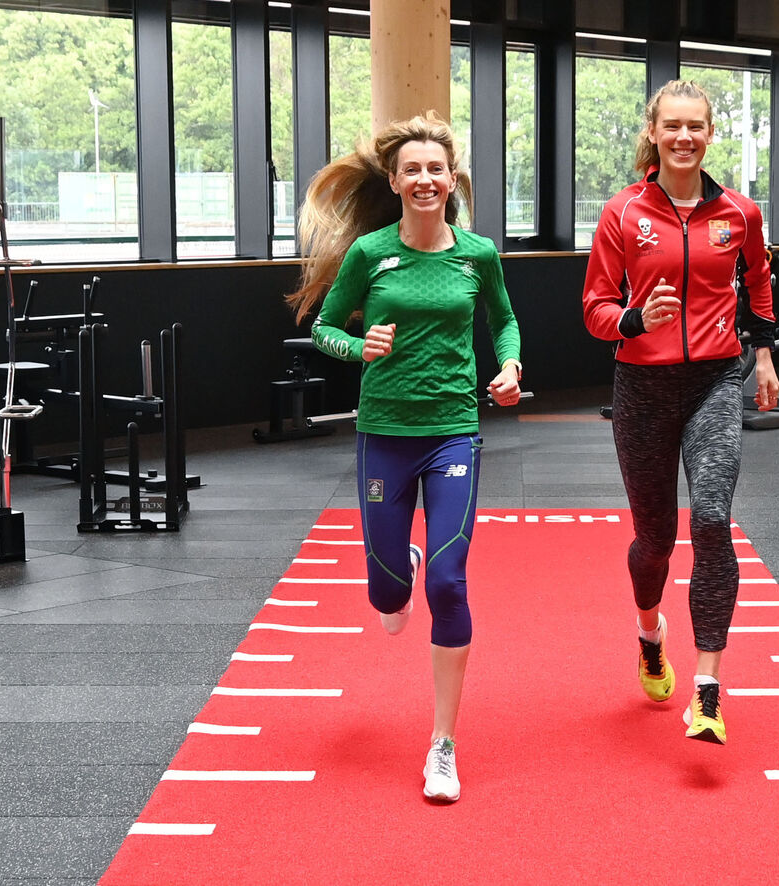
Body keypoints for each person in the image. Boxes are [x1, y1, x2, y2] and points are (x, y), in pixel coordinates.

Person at [289, 111, 522, 801]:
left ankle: (442, 744)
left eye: (436, 169)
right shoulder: (369, 255)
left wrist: (508, 367)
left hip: (454, 430)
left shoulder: (477, 253)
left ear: (452, 181)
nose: (426, 179)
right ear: (395, 181)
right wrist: (360, 348)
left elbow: (503, 320)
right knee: (389, 594)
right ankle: (401, 566)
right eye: (412, 170)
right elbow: (326, 327)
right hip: (384, 433)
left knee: (449, 584)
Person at [582, 80, 779, 744]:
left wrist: (765, 355)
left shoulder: (741, 214)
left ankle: (709, 690)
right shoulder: (622, 213)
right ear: (654, 131)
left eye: (696, 126)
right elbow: (595, 310)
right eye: (673, 126)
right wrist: (636, 319)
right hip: (642, 389)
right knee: (657, 541)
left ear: (711, 133)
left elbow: (757, 279)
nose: (685, 137)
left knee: (716, 521)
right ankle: (648, 632)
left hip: (716, 383)